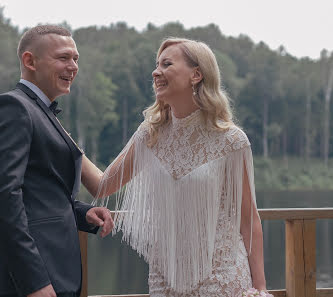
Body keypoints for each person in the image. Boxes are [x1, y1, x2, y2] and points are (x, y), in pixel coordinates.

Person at [83, 38, 272, 297]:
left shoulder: (231, 140)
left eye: (167, 64)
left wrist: (260, 289)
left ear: (196, 74)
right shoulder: (149, 135)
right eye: (156, 65)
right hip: (164, 281)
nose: (156, 72)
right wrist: (61, 138)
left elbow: (249, 220)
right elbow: (103, 185)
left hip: (221, 280)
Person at [0, 25, 114, 297]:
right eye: (63, 58)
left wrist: (81, 213)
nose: (73, 66)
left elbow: (41, 190)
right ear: (30, 61)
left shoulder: (42, 112)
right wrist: (34, 281)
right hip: (27, 283)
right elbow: (4, 200)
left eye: (76, 59)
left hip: (56, 275)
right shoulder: (11, 108)